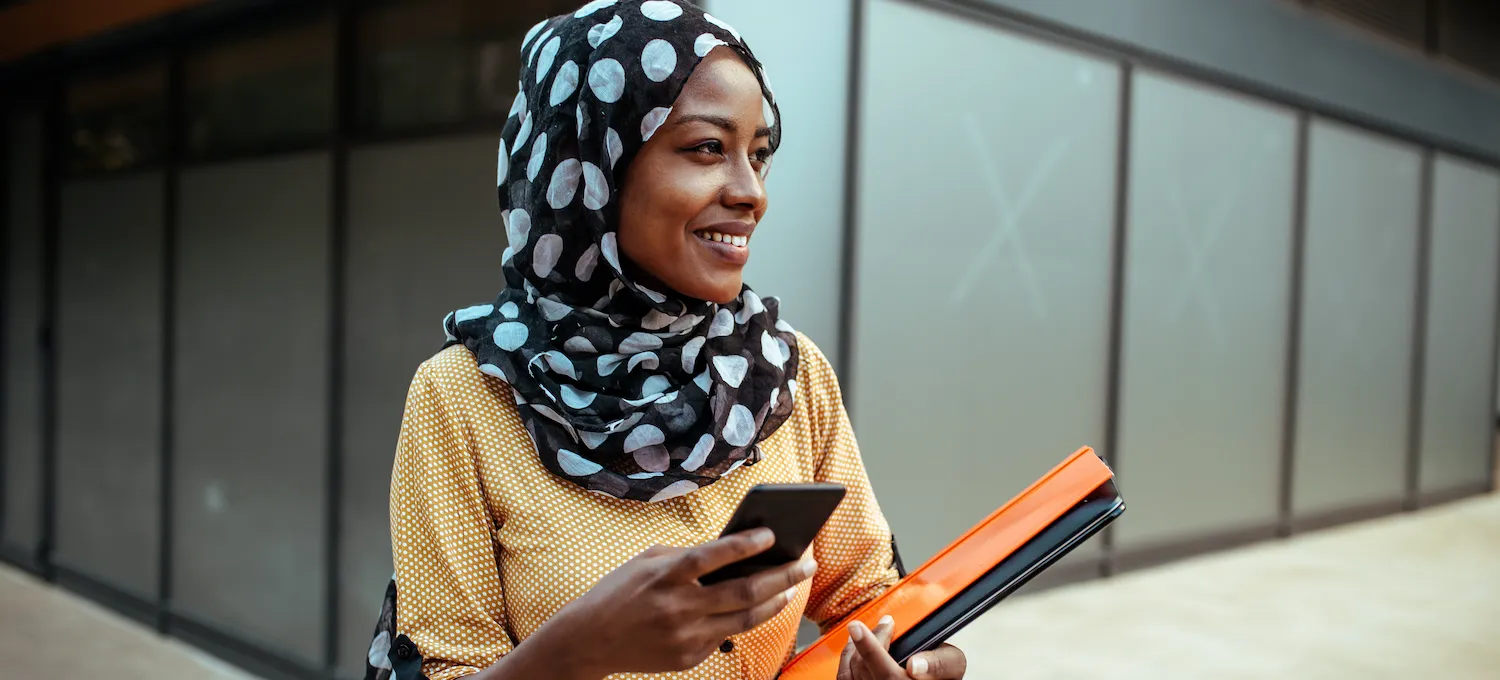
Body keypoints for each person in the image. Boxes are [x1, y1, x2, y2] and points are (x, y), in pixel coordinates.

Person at [362, 1, 968, 678]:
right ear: (589, 166)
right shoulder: (467, 398)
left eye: (759, 155)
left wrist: (910, 652)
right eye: (708, 148)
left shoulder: (783, 371)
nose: (751, 193)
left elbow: (867, 596)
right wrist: (579, 648)